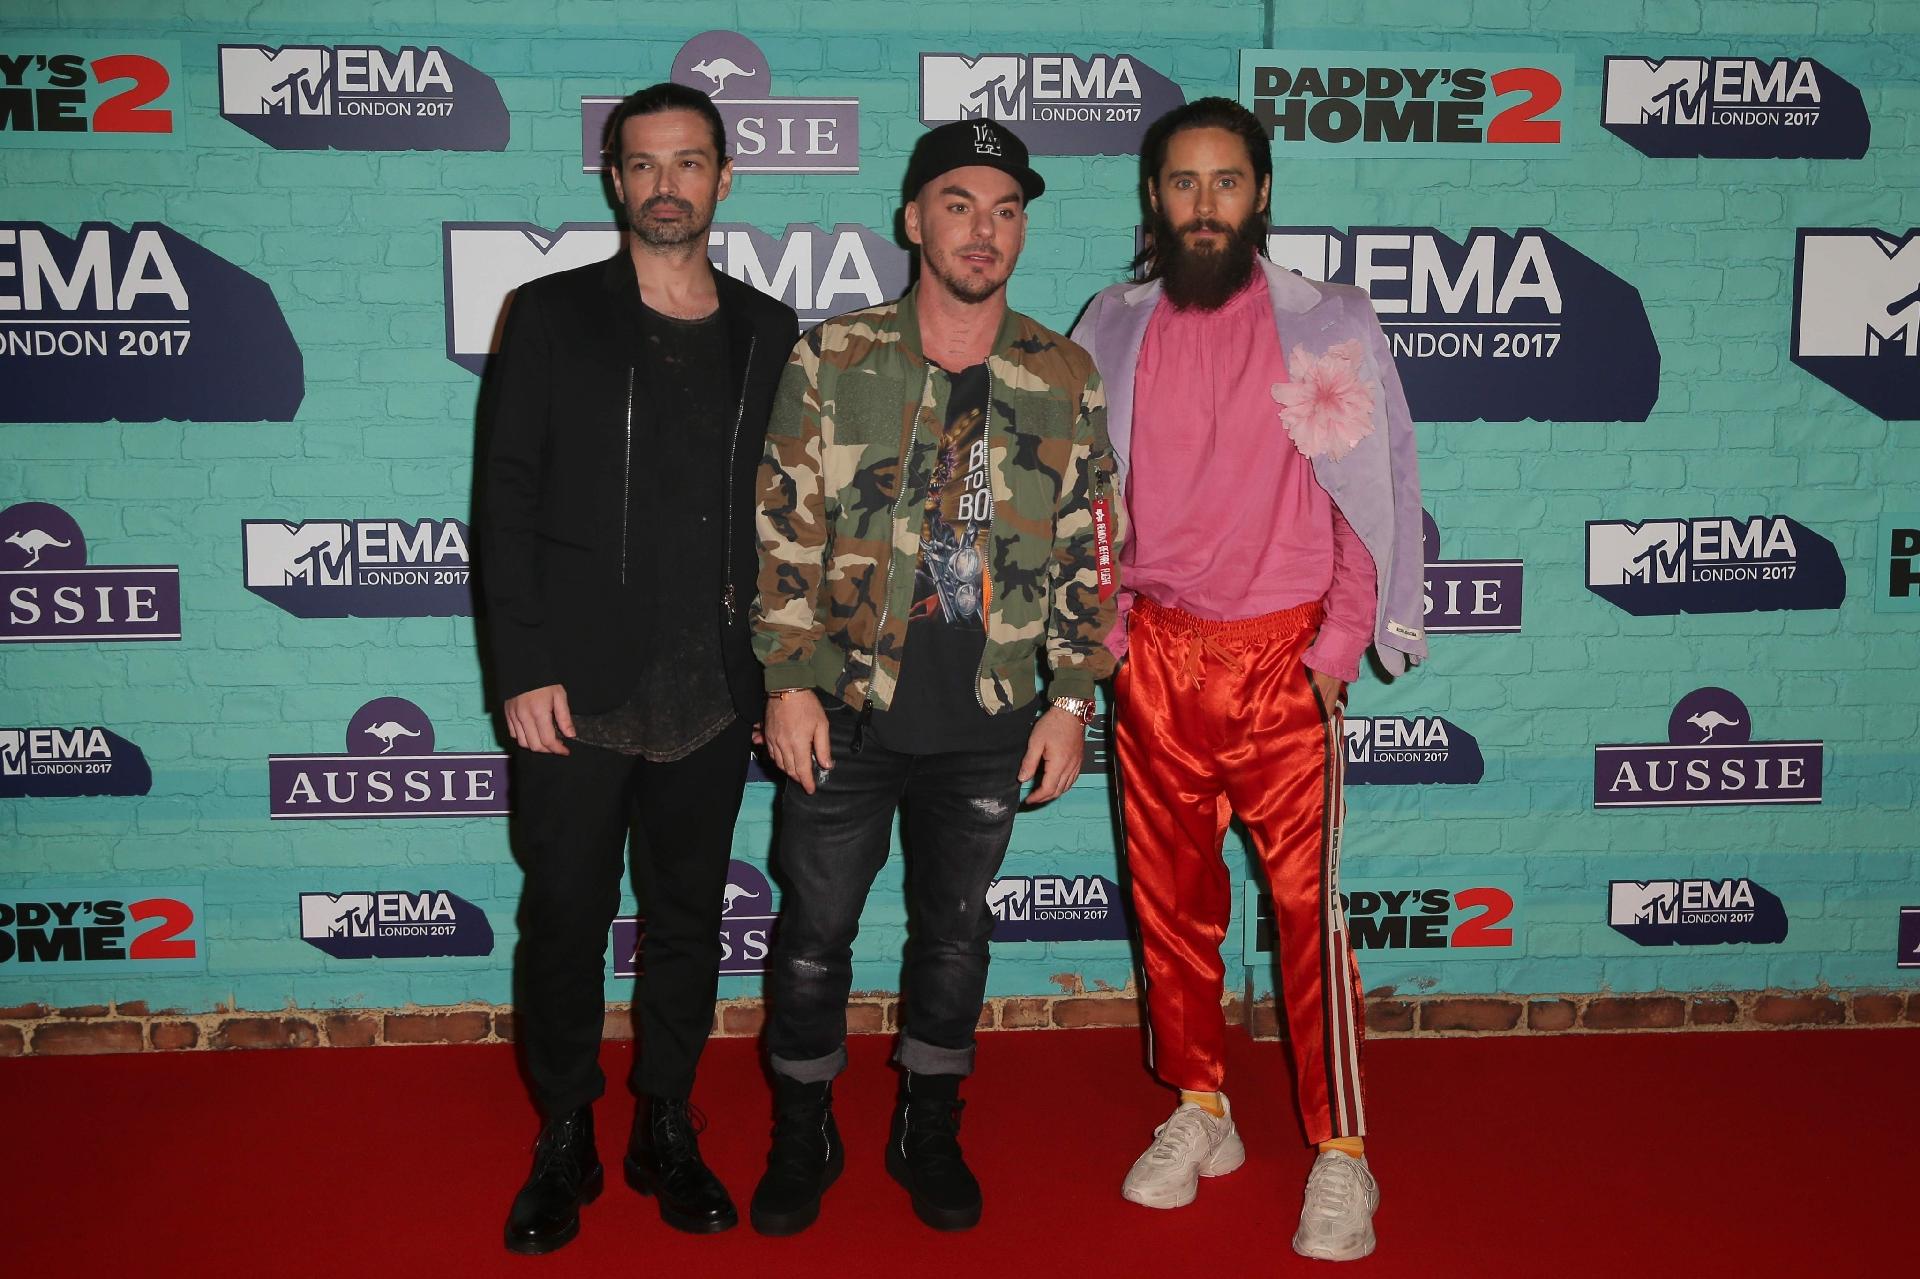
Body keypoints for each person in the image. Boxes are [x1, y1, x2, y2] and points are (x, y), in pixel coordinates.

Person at [748, 118, 1123, 1236]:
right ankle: (801, 1129)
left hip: (990, 717)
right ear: (914, 221)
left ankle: (930, 1123)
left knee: (956, 936)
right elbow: (783, 526)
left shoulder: (1064, 374)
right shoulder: (834, 358)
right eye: (959, 204)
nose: (984, 229)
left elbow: (1093, 549)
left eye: (1007, 210)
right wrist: (787, 679)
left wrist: (1071, 696)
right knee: (813, 937)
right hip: (848, 710)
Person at [1070, 97, 1426, 1263]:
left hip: (1285, 660)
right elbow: (1088, 502)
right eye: (1183, 183)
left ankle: (1342, 1153)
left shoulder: (1328, 323)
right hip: (1158, 658)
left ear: (1261, 194)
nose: (1205, 204)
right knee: (1171, 912)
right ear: (1154, 198)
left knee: (1307, 921)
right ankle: (1203, 1106)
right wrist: (1113, 641)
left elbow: (1375, 500)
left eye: (1227, 182)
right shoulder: (1110, 325)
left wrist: (1335, 653)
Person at [479, 82, 797, 1253]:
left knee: (687, 923)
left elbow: (790, 523)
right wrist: (522, 663)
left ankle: (667, 1119)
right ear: (615, 180)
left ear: (725, 177)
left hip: (713, 690)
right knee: (563, 917)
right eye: (644, 164)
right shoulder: (552, 315)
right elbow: (502, 502)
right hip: (576, 689)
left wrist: (778, 676)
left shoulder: (773, 332)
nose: (667, 184)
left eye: (690, 162)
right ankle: (565, 1130)